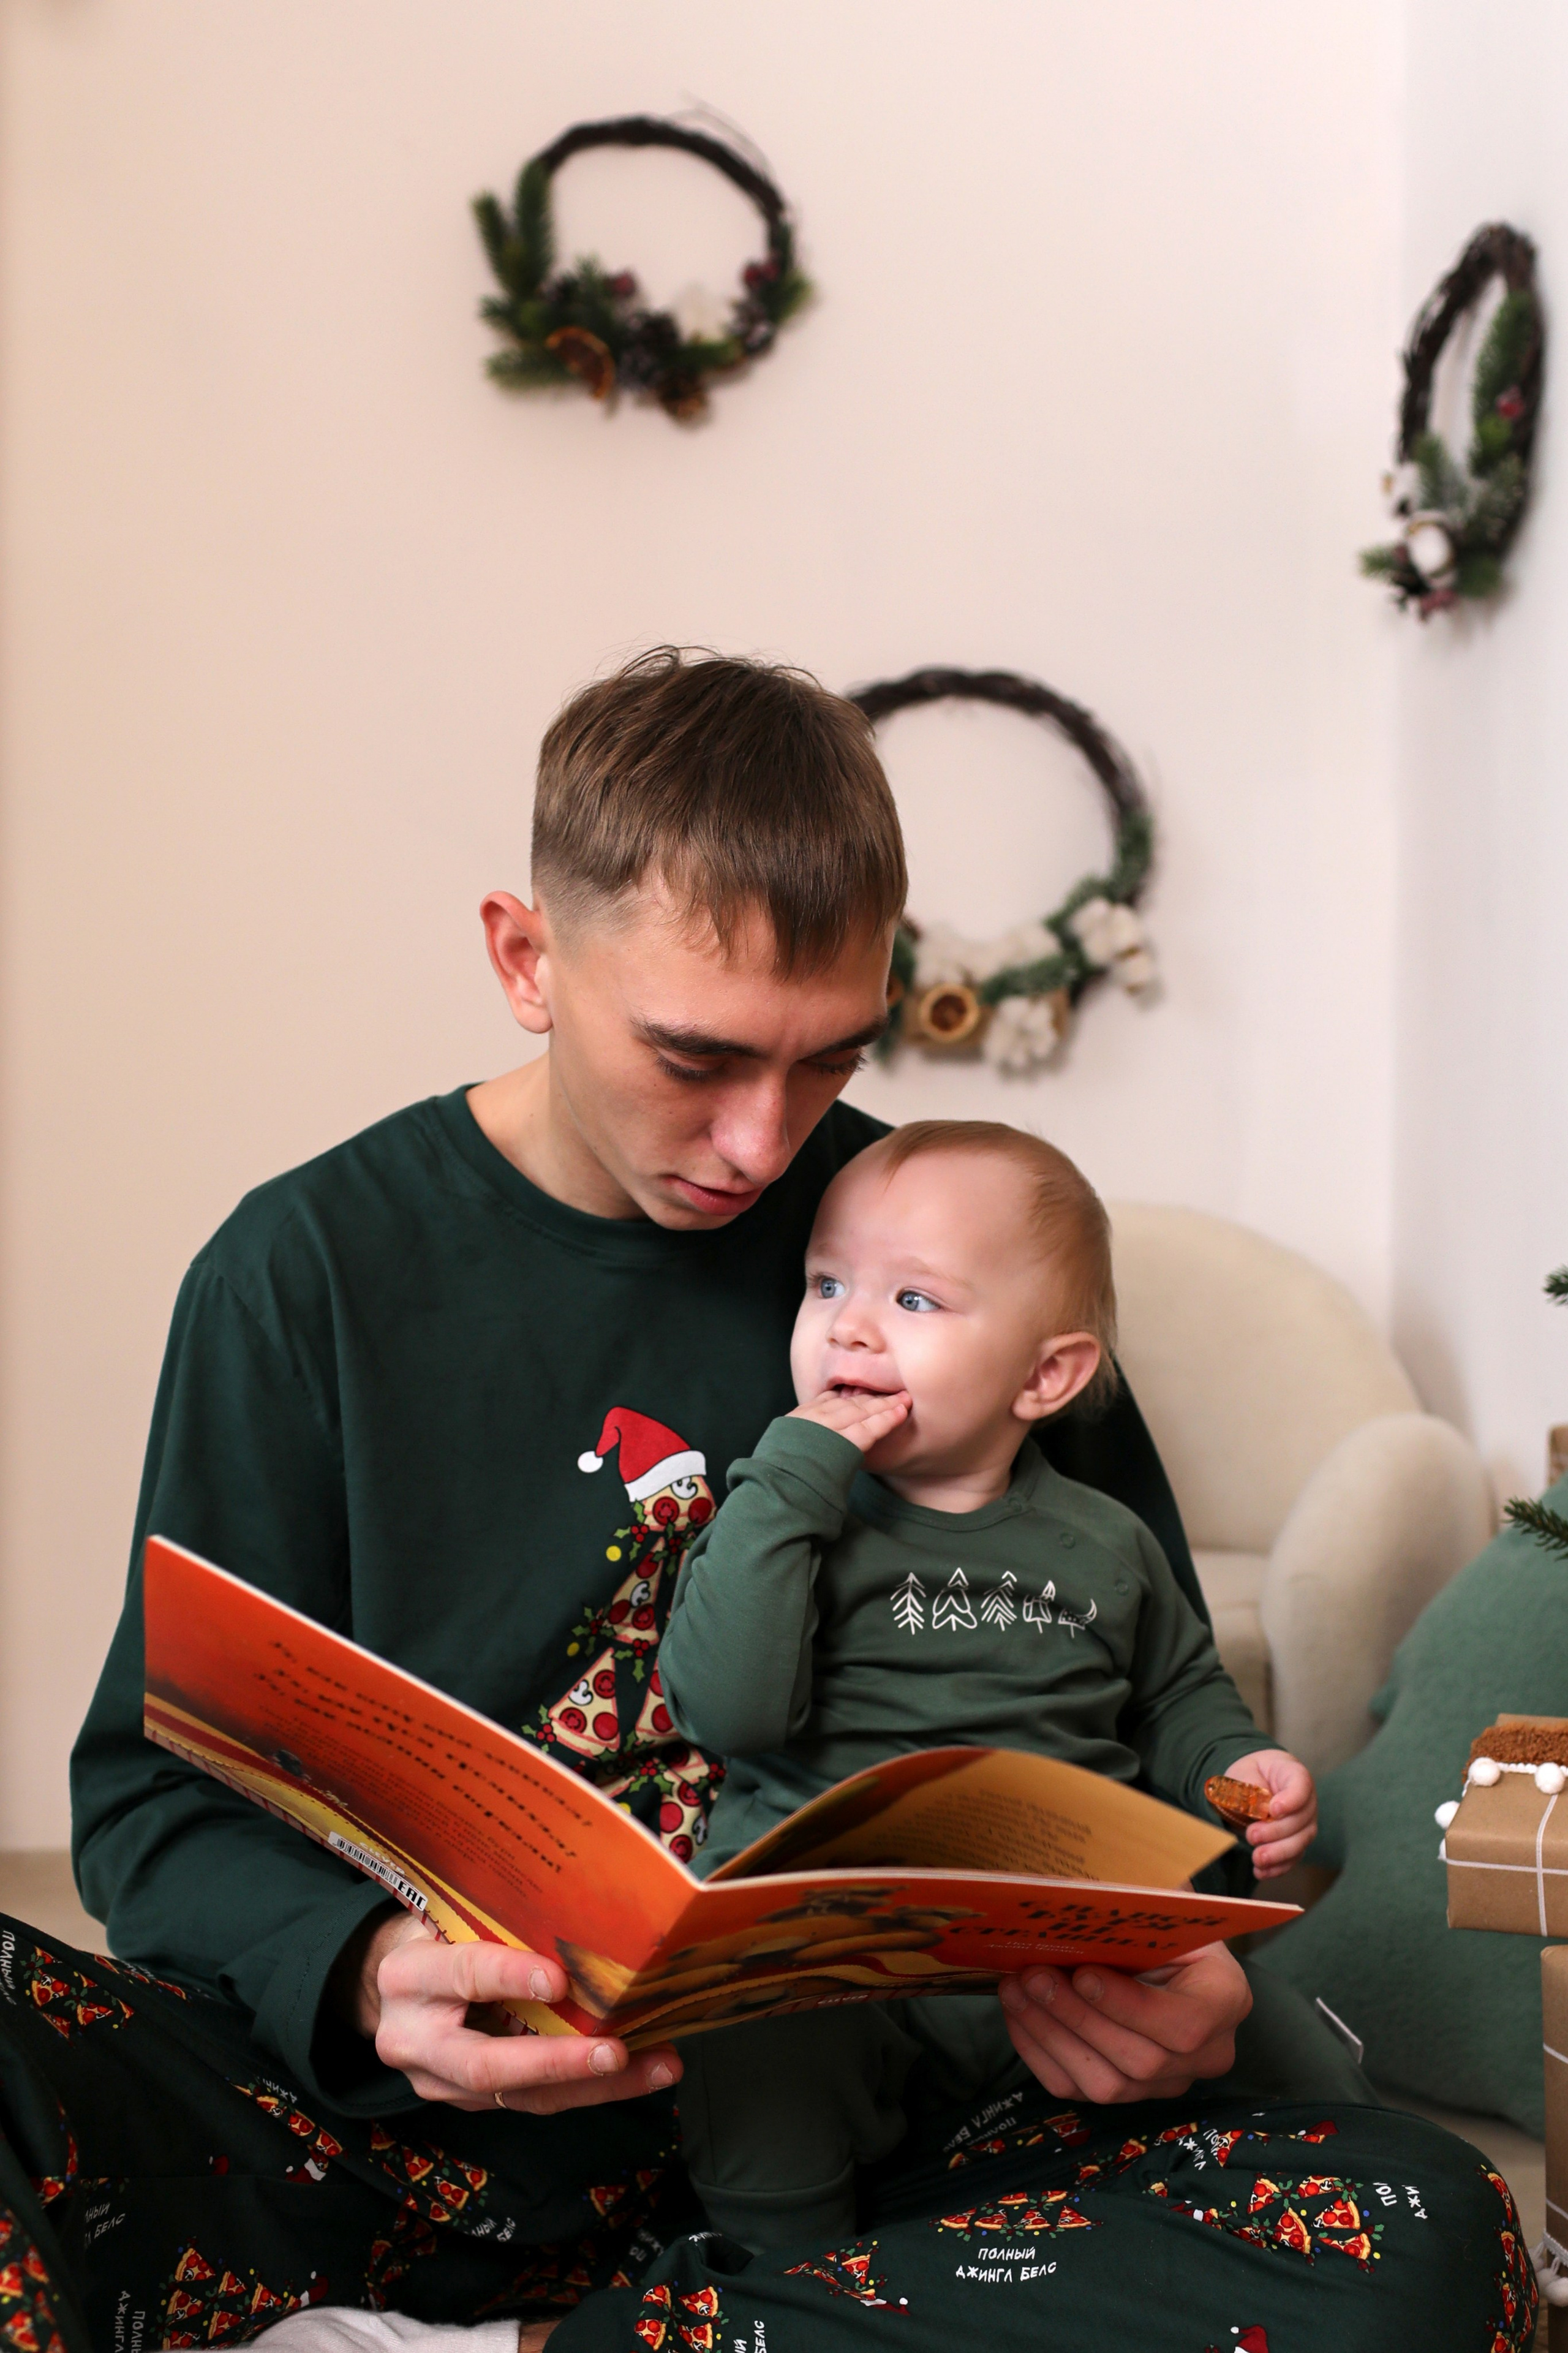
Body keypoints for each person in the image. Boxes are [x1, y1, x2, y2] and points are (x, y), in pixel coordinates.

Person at [0, 649, 1523, 2353]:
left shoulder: (941, 1251)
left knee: (1429, 2235)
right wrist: (362, 1979)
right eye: (697, 1056)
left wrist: (1181, 1974)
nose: (758, 1140)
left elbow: (1163, 1733)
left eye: (824, 1061)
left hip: (913, 2114)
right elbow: (148, 1808)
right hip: (431, 2131)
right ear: (526, 957)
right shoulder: (302, 1274)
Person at [660, 1118, 1318, 2251]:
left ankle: (1288, 2212)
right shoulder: (785, 1515)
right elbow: (729, 1708)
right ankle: (795, 2274)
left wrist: (1237, 1765)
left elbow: (1176, 1694)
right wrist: (790, 1476)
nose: (849, 1323)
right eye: (826, 1283)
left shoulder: (1103, 1541)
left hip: (1053, 1954)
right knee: (749, 2031)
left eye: (914, 1300)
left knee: (1278, 2028)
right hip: (839, 1957)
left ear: (1047, 1374)